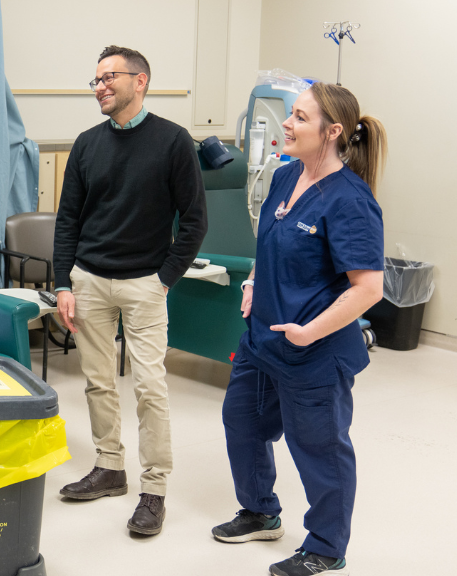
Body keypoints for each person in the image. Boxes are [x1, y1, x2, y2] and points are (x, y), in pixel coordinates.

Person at [210, 82, 387, 576]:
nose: (287, 124)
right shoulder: (286, 177)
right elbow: (269, 244)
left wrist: (310, 332)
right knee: (242, 423)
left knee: (320, 449)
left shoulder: (350, 200)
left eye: (300, 118)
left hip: (315, 352)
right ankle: (261, 511)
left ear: (332, 132)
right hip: (262, 340)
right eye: (291, 114)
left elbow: (369, 288)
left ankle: (327, 547)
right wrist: (251, 281)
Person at [53, 45, 207, 536]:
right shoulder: (85, 143)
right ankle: (109, 468)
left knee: (149, 388)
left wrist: (165, 278)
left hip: (145, 283)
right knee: (98, 382)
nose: (99, 85)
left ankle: (154, 489)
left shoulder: (174, 142)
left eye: (108, 76)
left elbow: (196, 222)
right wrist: (62, 283)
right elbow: (68, 221)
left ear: (140, 81)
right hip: (90, 281)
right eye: (95, 79)